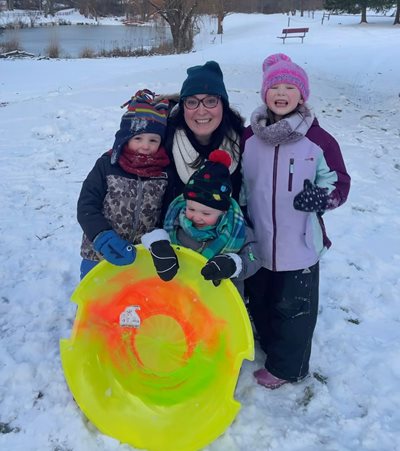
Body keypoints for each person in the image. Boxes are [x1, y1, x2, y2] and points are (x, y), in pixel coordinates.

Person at [241, 53, 351, 389]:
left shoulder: (319, 141)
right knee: (260, 300)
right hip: (257, 240)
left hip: (299, 244)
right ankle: (266, 342)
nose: (282, 92)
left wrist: (322, 197)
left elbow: (339, 182)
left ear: (302, 95)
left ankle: (289, 367)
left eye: (290, 86)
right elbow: (240, 183)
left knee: (295, 310)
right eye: (275, 86)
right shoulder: (248, 138)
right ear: (265, 93)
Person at [77, 89, 171, 280]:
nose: (145, 146)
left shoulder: (163, 173)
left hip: (140, 258)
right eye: (138, 138)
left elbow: (165, 214)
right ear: (125, 138)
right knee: (96, 303)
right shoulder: (107, 164)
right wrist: (101, 236)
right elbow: (87, 205)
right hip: (98, 254)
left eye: (153, 140)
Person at [140, 150, 259, 297]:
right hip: (180, 295)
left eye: (206, 213)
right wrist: (157, 244)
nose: (196, 217)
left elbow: (255, 255)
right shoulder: (176, 220)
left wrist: (234, 264)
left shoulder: (237, 229)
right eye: (191, 208)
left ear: (223, 211)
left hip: (220, 301)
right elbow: (153, 233)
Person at [162, 61, 245, 209]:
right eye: (192, 102)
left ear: (223, 105)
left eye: (211, 101)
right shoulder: (164, 142)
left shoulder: (243, 143)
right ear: (183, 108)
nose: (201, 111)